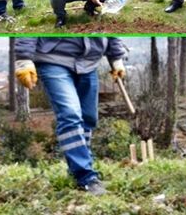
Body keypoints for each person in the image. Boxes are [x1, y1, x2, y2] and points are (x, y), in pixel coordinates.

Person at [15, 37, 127, 195]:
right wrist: (24, 58)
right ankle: (85, 176)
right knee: (70, 114)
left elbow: (109, 25)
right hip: (53, 58)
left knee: (88, 118)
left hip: (89, 62)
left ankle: (78, 168)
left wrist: (116, 57)